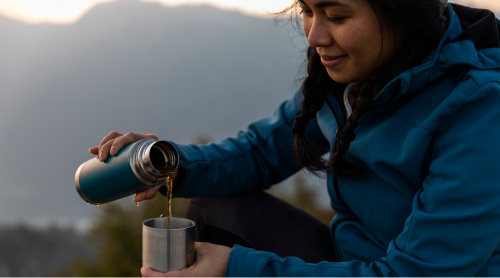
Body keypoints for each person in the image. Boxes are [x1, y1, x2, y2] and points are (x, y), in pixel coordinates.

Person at [90, 0, 500, 277]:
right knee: (213, 205)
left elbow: (419, 272)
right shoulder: (353, 78)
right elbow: (260, 152)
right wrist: (163, 163)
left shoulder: (479, 107)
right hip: (350, 261)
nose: (315, 36)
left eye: (337, 17)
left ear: (401, 13)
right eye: (307, 10)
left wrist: (236, 268)